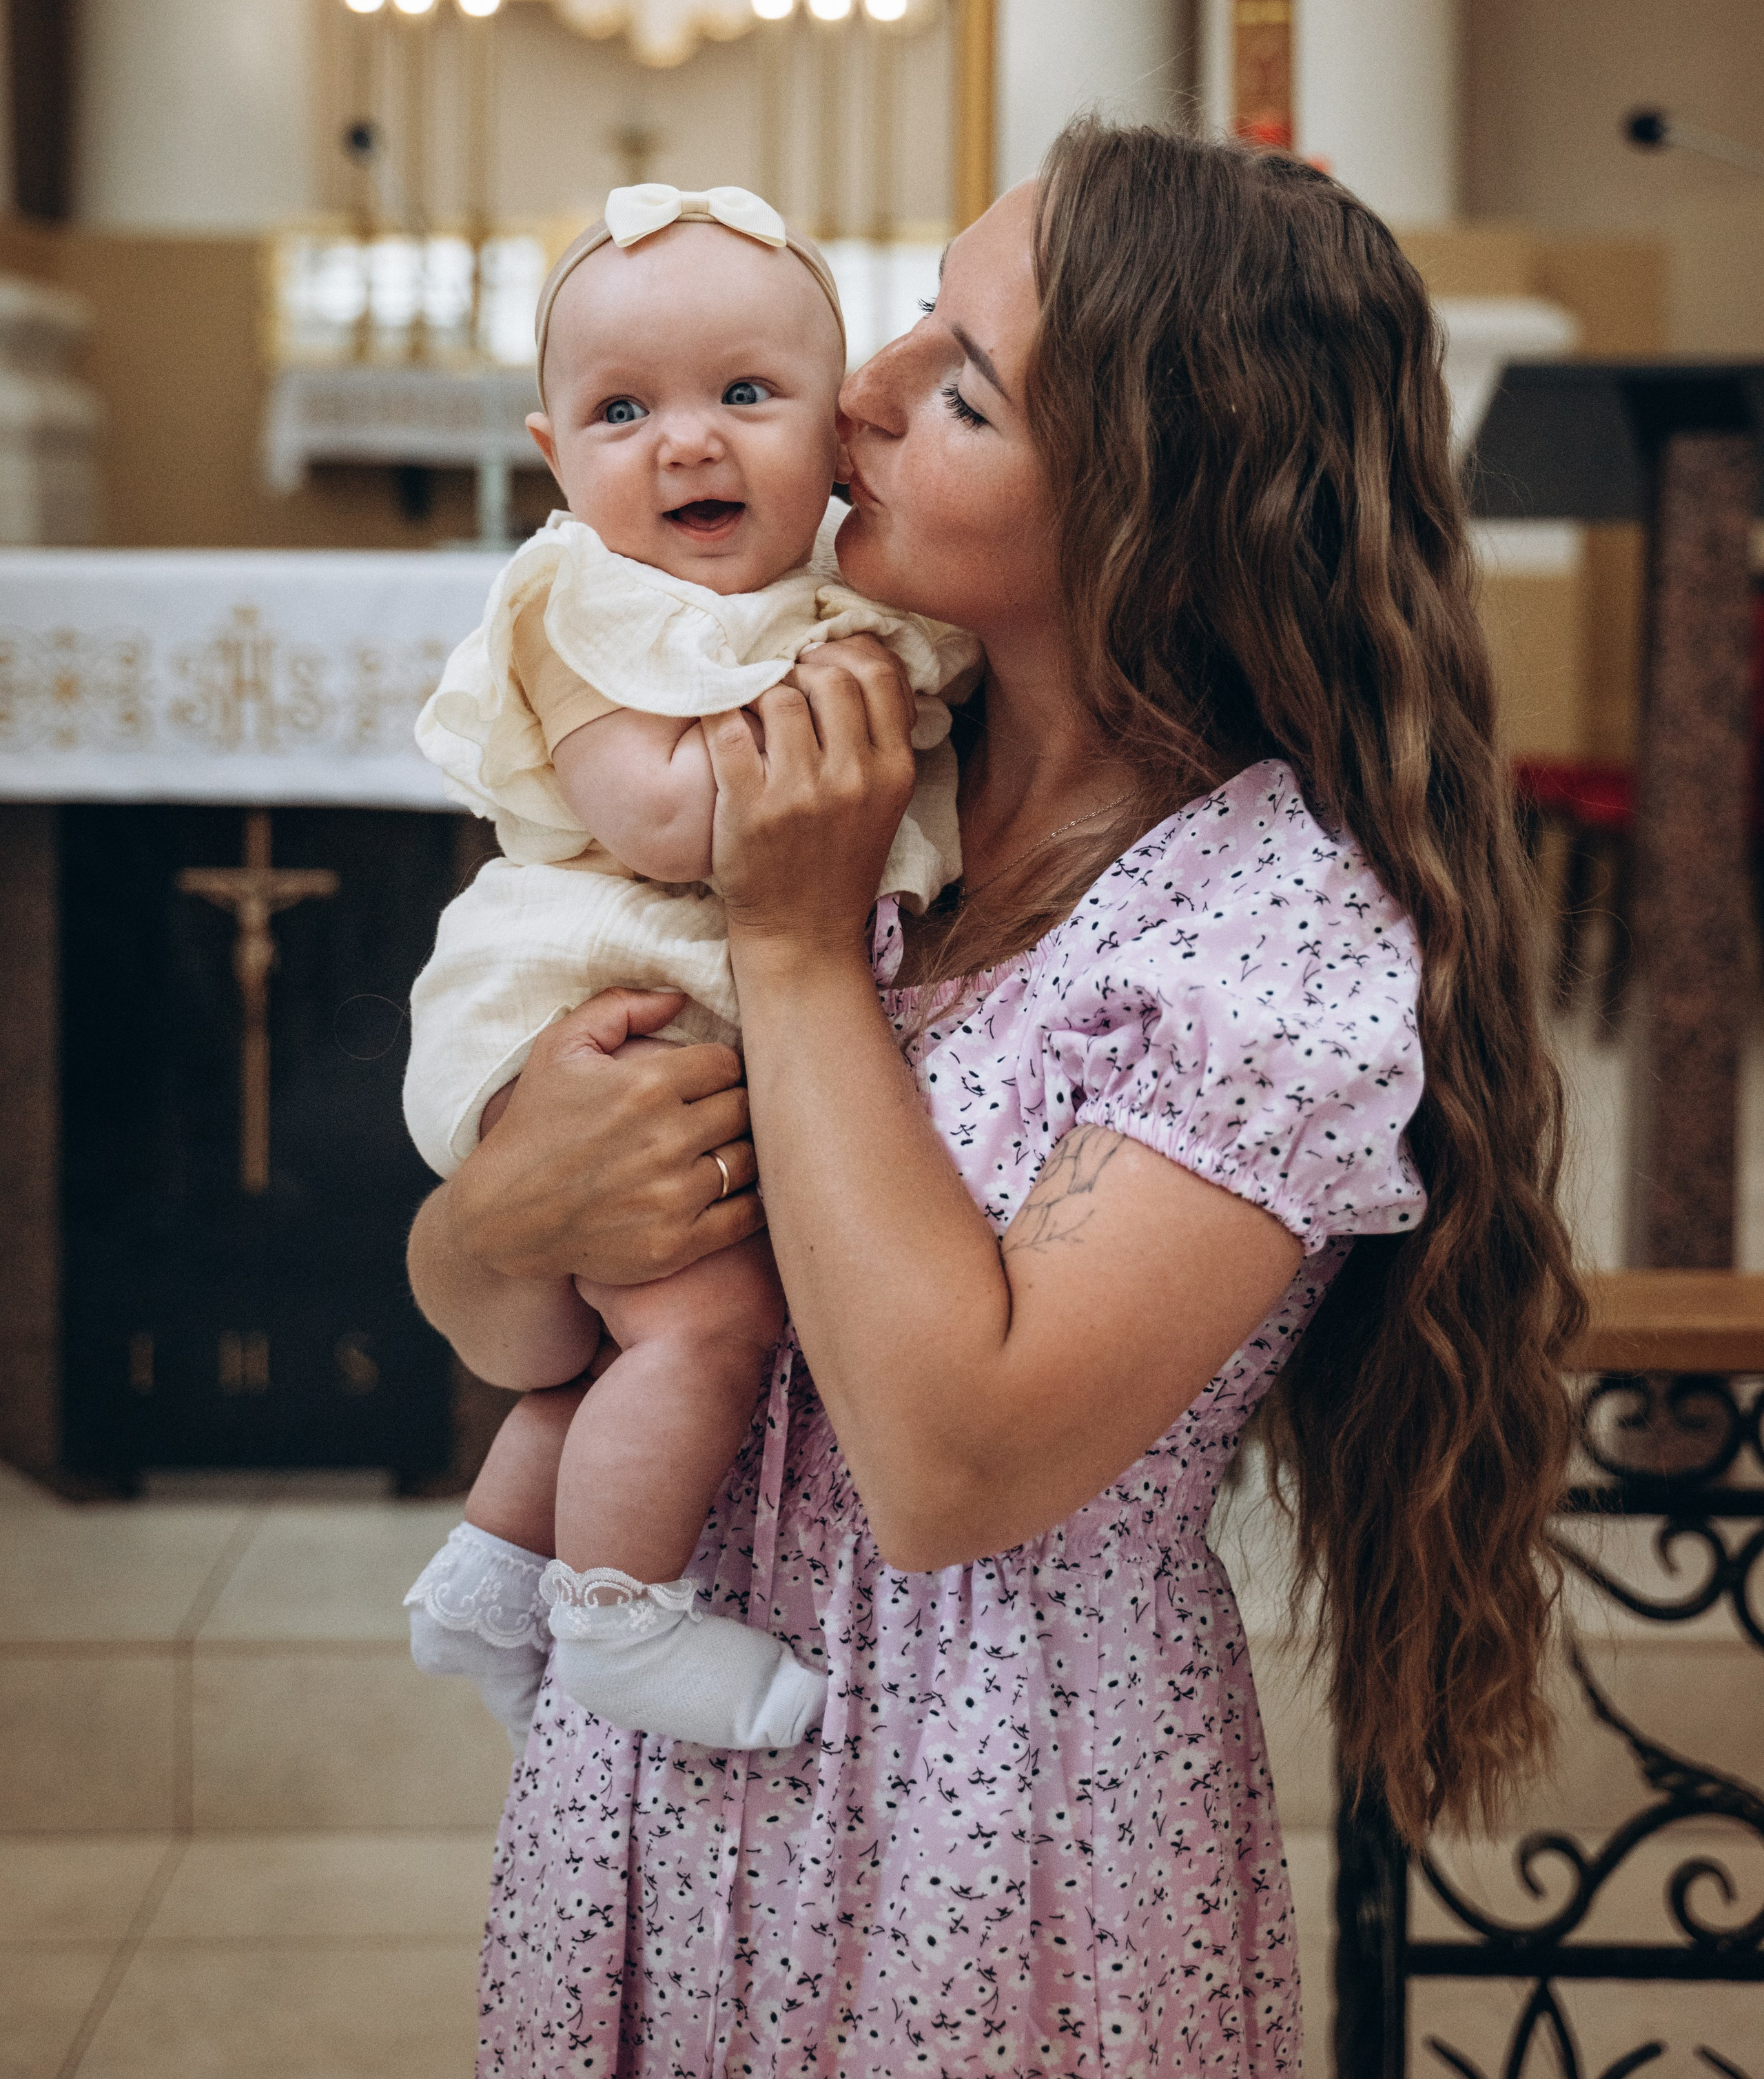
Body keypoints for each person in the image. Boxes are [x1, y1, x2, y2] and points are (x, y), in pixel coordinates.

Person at [409, 123, 1583, 2076]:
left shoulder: (1270, 923)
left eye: (955, 378)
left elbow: (953, 1468)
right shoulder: (826, 749)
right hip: (662, 1753)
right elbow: (511, 1310)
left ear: (1146, 507)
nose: (856, 389)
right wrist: (497, 1222)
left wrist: (791, 949)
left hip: (996, 1798)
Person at [402, 182, 976, 1757]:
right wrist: (830, 717)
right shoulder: (572, 602)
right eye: (621, 409)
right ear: (553, 459)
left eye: (744, 392)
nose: (687, 442)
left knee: (617, 1341)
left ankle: (488, 1570)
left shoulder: (841, 607)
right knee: (702, 1325)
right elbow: (660, 821)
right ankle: (618, 1614)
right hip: (589, 1001)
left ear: (835, 429)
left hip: (693, 1005)